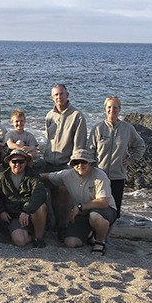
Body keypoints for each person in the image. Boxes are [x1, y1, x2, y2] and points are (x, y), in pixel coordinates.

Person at [40, 149, 118, 255]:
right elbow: (46, 176)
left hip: (104, 210)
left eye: (83, 162)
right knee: (70, 242)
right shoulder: (66, 175)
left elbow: (103, 202)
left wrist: (79, 207)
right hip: (82, 213)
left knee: (95, 216)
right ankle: (89, 235)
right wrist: (27, 175)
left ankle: (100, 242)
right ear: (72, 164)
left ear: (90, 164)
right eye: (76, 162)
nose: (80, 165)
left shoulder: (100, 175)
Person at [44, 84, 88, 239]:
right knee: (44, 190)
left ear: (67, 95)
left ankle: (63, 226)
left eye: (61, 94)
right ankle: (50, 223)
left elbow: (79, 145)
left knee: (62, 192)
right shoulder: (49, 115)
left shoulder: (77, 116)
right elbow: (49, 140)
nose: (59, 97)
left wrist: (75, 166)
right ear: (52, 97)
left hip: (66, 163)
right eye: (55, 95)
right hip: (49, 161)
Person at [89, 96, 145, 216]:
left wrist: (131, 160)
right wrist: (91, 168)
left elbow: (140, 145)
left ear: (119, 109)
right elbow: (90, 151)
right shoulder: (98, 128)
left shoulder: (127, 128)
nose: (112, 110)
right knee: (97, 208)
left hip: (118, 175)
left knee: (115, 211)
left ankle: (110, 232)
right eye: (109, 107)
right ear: (105, 109)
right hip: (99, 175)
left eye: (115, 107)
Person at [0, 149, 47, 248]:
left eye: (21, 162)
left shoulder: (33, 176)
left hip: (31, 214)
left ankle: (38, 237)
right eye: (14, 161)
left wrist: (27, 210)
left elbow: (40, 193)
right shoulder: (2, 178)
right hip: (14, 216)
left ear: (26, 163)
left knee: (41, 207)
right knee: (20, 241)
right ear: (9, 163)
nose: (17, 164)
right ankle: (30, 235)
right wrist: (1, 211)